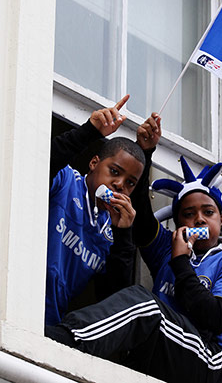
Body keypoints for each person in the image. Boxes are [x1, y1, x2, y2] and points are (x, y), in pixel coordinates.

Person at [46, 115, 222, 383]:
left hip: (209, 361)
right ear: (178, 222)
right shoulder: (166, 248)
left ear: (221, 219)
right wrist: (146, 150)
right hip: (157, 355)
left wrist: (180, 264)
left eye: (208, 212)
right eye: (189, 214)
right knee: (136, 309)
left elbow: (217, 318)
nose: (199, 219)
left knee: (146, 306)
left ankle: (64, 340)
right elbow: (142, 221)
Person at [46, 95, 145, 326]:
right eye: (114, 171)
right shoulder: (66, 180)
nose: (120, 184)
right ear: (93, 163)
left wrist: (123, 235)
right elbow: (39, 162)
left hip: (49, 322)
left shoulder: (110, 233)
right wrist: (90, 131)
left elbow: (112, 300)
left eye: (130, 183)